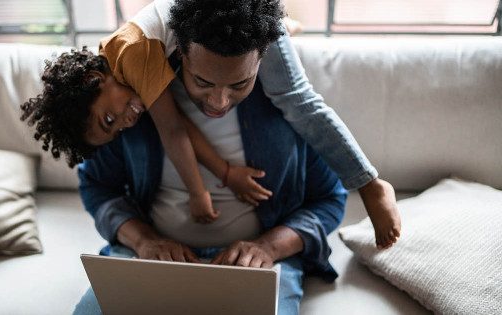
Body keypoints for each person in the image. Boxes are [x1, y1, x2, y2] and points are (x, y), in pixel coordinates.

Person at [95, 0, 400, 249]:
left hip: (254, 22)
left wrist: (270, 247)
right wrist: (144, 241)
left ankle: (371, 185)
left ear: (263, 60)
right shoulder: (127, 97)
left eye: (240, 84)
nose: (219, 102)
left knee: (297, 97)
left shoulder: (262, 62)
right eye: (203, 82)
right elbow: (172, 129)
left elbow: (327, 197)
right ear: (179, 54)